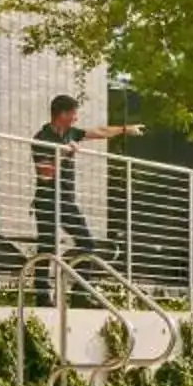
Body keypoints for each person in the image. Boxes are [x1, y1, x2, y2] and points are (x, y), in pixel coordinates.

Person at [32, 92, 141, 296]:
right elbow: (45, 175)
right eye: (74, 114)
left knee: (88, 244)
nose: (76, 118)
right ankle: (42, 295)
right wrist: (63, 154)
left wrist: (126, 129)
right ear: (62, 114)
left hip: (66, 201)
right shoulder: (41, 138)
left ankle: (79, 294)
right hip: (46, 201)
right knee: (47, 246)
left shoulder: (70, 133)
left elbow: (99, 131)